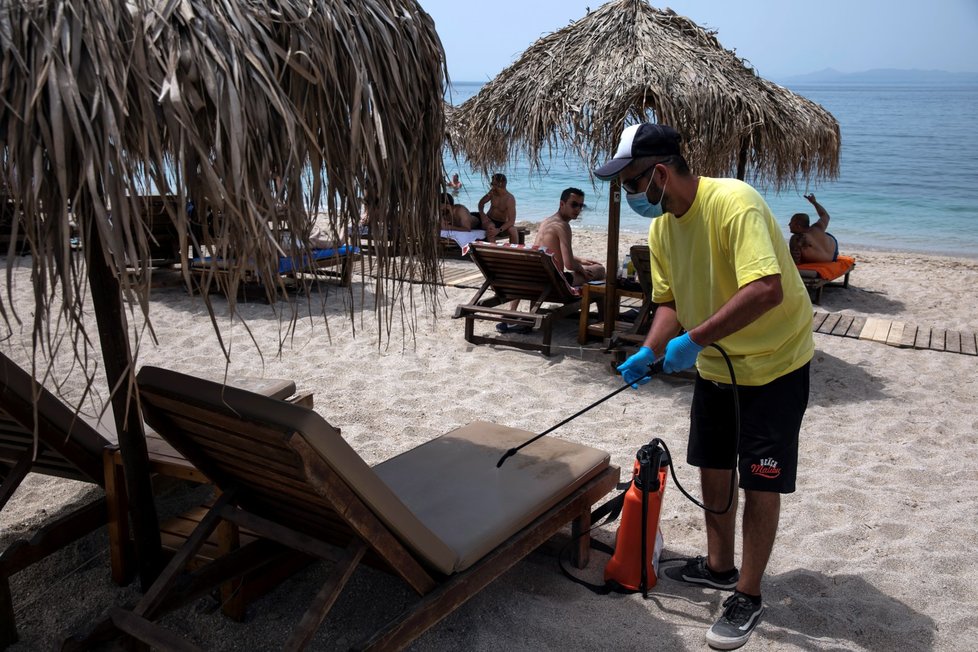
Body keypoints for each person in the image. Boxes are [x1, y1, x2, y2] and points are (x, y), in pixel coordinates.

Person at [595, 123, 814, 650]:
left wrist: (693, 340)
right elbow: (669, 301)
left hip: (776, 364)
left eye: (629, 183)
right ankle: (718, 567)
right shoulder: (662, 230)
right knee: (713, 465)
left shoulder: (735, 202)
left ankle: (748, 592)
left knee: (760, 480)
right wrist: (651, 348)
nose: (628, 195)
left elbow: (766, 289)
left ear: (660, 173)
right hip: (718, 367)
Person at [534, 187, 605, 286]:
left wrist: (580, 260)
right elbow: (569, 265)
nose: (578, 209)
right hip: (554, 282)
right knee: (600, 269)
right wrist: (581, 269)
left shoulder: (546, 221)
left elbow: (552, 252)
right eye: (574, 204)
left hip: (536, 277)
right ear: (562, 204)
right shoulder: (563, 226)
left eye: (581, 206)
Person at [788, 193, 838, 263]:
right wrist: (814, 202)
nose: (789, 224)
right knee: (825, 234)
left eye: (791, 222)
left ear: (798, 226)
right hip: (833, 254)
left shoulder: (796, 239)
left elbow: (795, 262)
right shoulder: (817, 227)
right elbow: (825, 216)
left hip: (821, 260)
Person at [477, 173, 519, 243]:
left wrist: (499, 230)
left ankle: (514, 251)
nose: (492, 186)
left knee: (513, 230)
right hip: (489, 220)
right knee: (491, 228)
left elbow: (511, 221)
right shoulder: (492, 193)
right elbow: (481, 203)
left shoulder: (509, 199)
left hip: (502, 223)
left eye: (493, 183)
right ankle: (493, 252)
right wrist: (482, 214)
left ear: (499, 184)